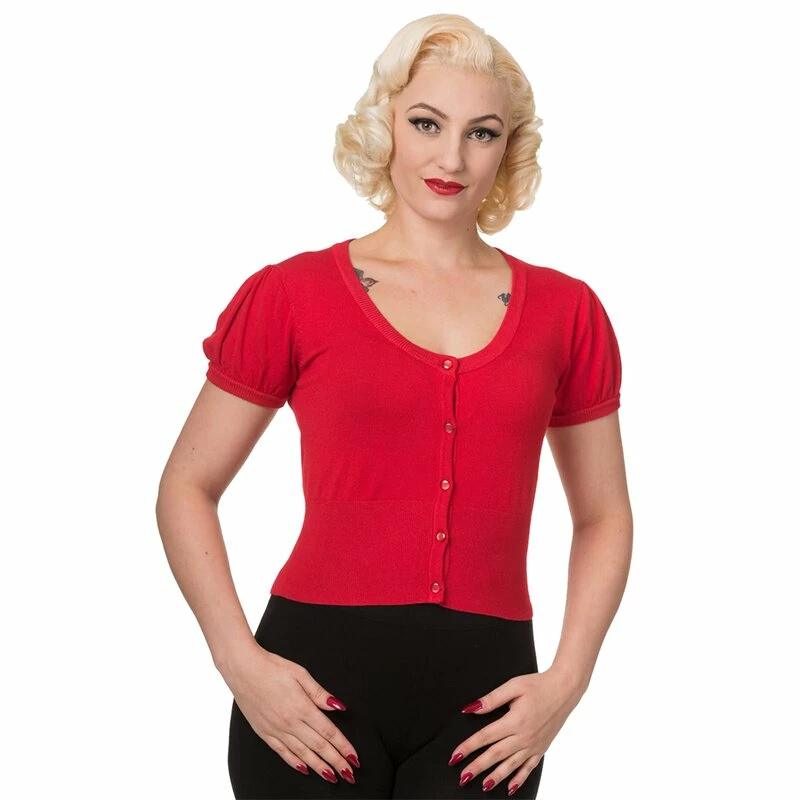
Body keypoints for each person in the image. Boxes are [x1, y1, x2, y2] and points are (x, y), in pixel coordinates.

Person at [156, 12, 633, 800]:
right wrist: (239, 662)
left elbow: (604, 515)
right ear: (386, 126)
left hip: (490, 712)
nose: (451, 157)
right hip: (309, 691)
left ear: (507, 149)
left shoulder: (566, 311)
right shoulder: (292, 295)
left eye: (482, 133)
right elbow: (186, 486)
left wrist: (568, 681)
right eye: (426, 123)